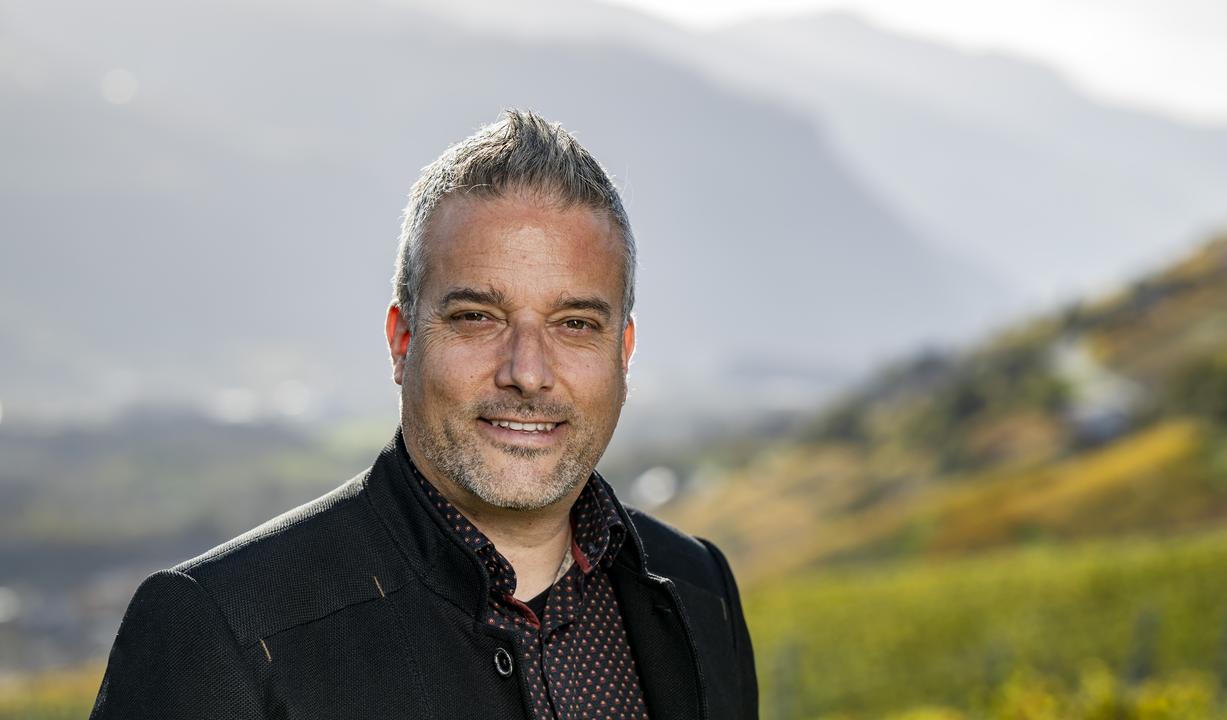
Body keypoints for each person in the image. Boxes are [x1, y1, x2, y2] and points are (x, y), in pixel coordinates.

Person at [90, 110, 758, 719]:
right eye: (477, 317)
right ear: (402, 341)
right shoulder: (217, 628)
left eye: (575, 323)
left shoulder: (698, 589)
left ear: (623, 352)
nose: (527, 371)